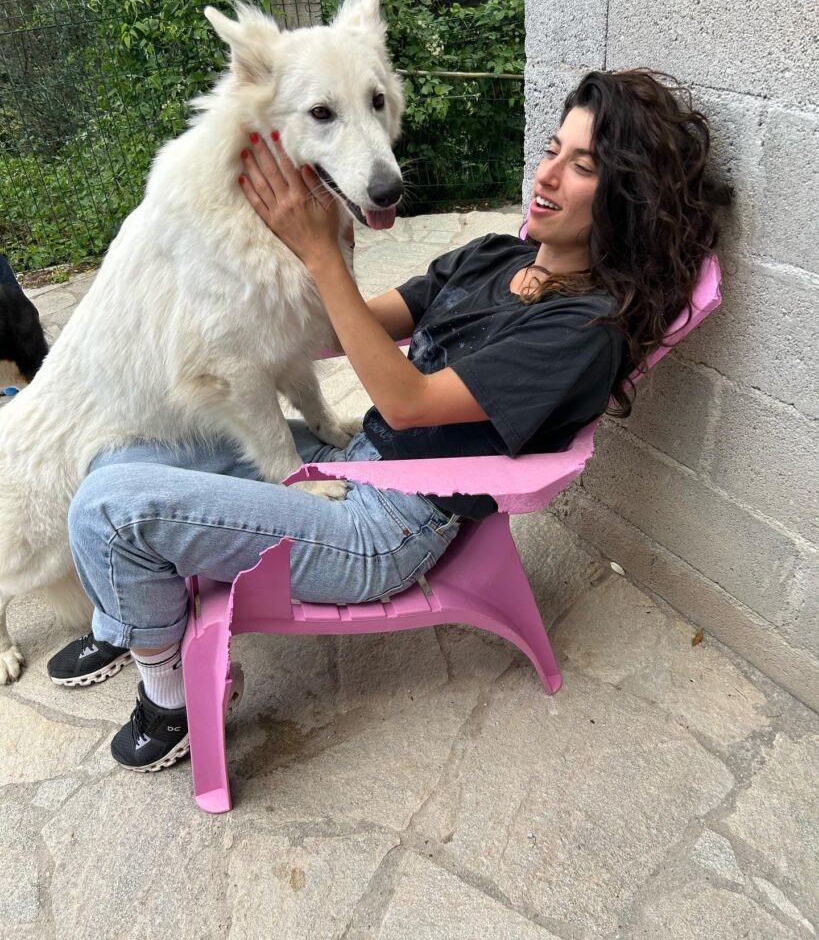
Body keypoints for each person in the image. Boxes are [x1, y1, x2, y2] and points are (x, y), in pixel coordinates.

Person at [46, 69, 731, 772]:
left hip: (388, 527)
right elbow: (345, 332)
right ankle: (130, 623)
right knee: (115, 460)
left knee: (114, 511)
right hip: (356, 461)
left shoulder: (582, 328)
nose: (547, 175)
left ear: (626, 195)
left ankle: (171, 699)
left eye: (581, 166)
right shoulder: (494, 256)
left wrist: (318, 253)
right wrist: (278, 255)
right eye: (552, 149)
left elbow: (407, 401)